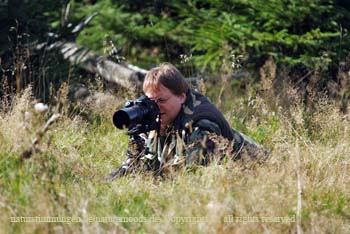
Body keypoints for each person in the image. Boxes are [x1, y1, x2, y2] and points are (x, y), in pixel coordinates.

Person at [106, 63, 268, 180]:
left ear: (181, 96)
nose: (156, 107)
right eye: (151, 101)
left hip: (261, 173)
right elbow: (147, 166)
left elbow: (195, 178)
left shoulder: (202, 125)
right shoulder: (162, 117)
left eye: (161, 100)